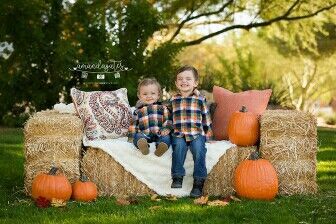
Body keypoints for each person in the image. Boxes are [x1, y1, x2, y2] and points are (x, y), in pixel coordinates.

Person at [169, 65, 213, 197]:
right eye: (180, 79)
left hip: (196, 133)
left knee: (199, 150)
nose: (184, 81)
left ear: (195, 83)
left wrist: (209, 135)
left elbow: (206, 117)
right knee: (178, 147)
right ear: (176, 83)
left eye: (188, 79)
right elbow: (169, 117)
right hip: (179, 133)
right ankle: (177, 177)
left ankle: (198, 183)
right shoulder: (173, 99)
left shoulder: (200, 99)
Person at [128, 78, 172, 157]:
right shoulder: (138, 110)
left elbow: (168, 120)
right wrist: (131, 137)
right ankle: (143, 146)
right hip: (145, 134)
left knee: (166, 138)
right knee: (138, 137)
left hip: (160, 133)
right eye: (145, 94)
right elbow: (133, 125)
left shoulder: (163, 108)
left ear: (158, 95)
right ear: (139, 96)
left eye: (152, 93)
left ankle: (161, 147)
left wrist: (166, 129)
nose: (149, 96)